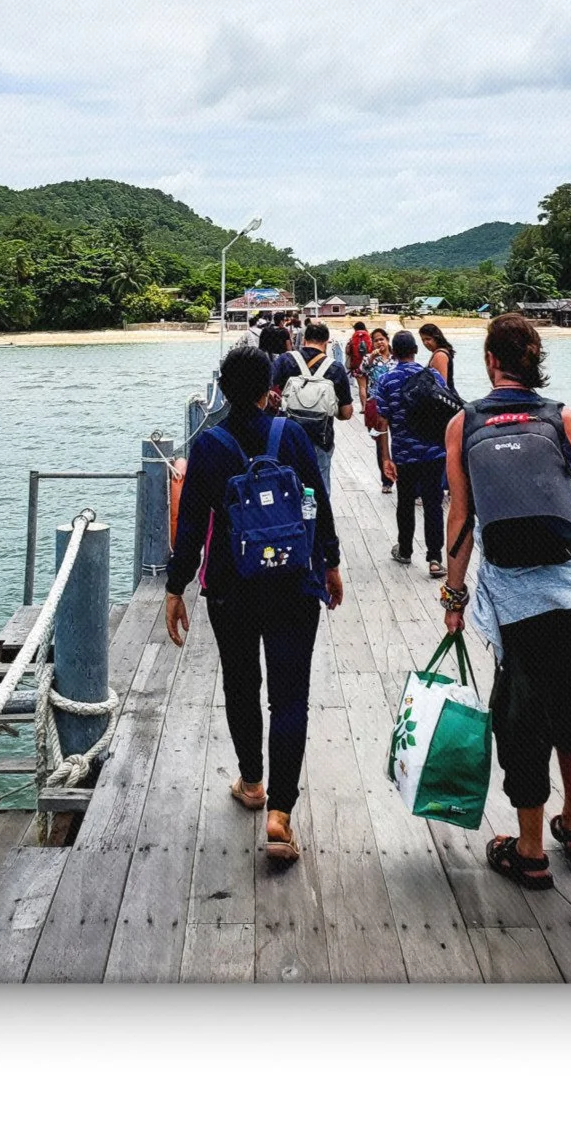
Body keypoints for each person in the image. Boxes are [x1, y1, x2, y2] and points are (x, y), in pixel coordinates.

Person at [438, 314, 571, 893]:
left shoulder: (463, 425)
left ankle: (530, 852)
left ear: (489, 361)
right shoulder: (564, 421)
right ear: (536, 361)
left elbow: (460, 519)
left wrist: (455, 597)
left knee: (521, 721)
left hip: (515, 599)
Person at [166, 344, 345, 866]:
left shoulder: (210, 445)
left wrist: (176, 589)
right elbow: (314, 498)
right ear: (272, 388)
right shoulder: (289, 433)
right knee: (290, 696)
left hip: (230, 585)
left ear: (221, 389)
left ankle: (251, 782)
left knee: (241, 685)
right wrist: (328, 560)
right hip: (293, 583)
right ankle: (281, 817)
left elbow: (193, 524)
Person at [371, 329, 447, 577]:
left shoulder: (386, 380)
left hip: (404, 452)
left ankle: (404, 550)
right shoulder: (432, 375)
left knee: (405, 502)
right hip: (434, 451)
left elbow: (382, 422)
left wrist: (385, 457)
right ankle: (435, 559)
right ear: (416, 350)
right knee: (433, 503)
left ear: (393, 351)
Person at [271, 319, 355, 494]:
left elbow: (265, 389)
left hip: (288, 435)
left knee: (287, 484)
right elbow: (346, 413)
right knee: (320, 487)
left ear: (303, 340)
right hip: (321, 437)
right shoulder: (336, 368)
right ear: (326, 343)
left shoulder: (286, 360)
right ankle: (319, 519)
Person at [361, 325, 396, 492]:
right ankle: (386, 481)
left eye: (381, 339)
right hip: (376, 403)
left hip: (395, 404)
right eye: (375, 340)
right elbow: (362, 371)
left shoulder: (396, 358)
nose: (379, 343)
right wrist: (370, 359)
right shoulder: (369, 358)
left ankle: (400, 475)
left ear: (388, 340)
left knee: (397, 439)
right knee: (380, 442)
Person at [418, 319, 457, 396]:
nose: (425, 343)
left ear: (436, 338)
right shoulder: (440, 353)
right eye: (423, 340)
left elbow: (442, 386)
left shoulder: (440, 355)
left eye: (428, 339)